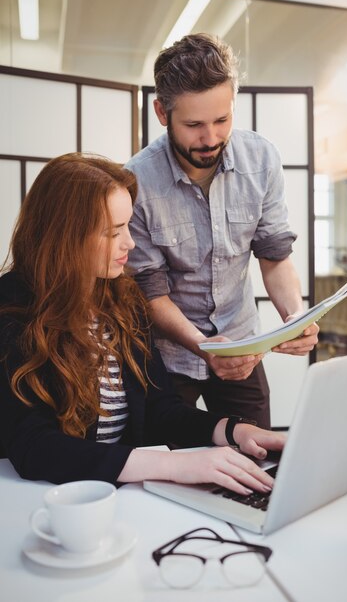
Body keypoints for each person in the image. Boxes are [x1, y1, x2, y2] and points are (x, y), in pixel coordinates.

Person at [0, 152, 286, 493]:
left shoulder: (122, 299)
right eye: (113, 232)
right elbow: (34, 446)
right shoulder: (11, 306)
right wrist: (171, 465)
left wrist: (231, 430)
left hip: (119, 496)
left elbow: (159, 408)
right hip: (48, 500)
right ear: (65, 236)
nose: (130, 243)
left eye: (128, 226)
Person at [125, 33, 319, 429]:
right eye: (194, 124)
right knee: (168, 465)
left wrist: (295, 316)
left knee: (255, 460)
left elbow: (275, 255)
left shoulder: (261, 159)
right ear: (162, 113)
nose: (211, 138)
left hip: (242, 345)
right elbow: (150, 292)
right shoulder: (137, 180)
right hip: (166, 355)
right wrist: (201, 345)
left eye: (222, 119)